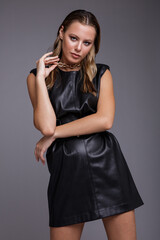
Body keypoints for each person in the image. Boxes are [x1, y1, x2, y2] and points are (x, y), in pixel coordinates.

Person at [26, 9, 144, 240]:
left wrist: (55, 135)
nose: (79, 47)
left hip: (107, 166)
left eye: (87, 42)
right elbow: (46, 127)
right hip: (66, 169)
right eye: (73, 38)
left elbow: (104, 120)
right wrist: (41, 79)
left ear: (93, 45)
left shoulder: (102, 72)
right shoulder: (35, 78)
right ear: (61, 32)